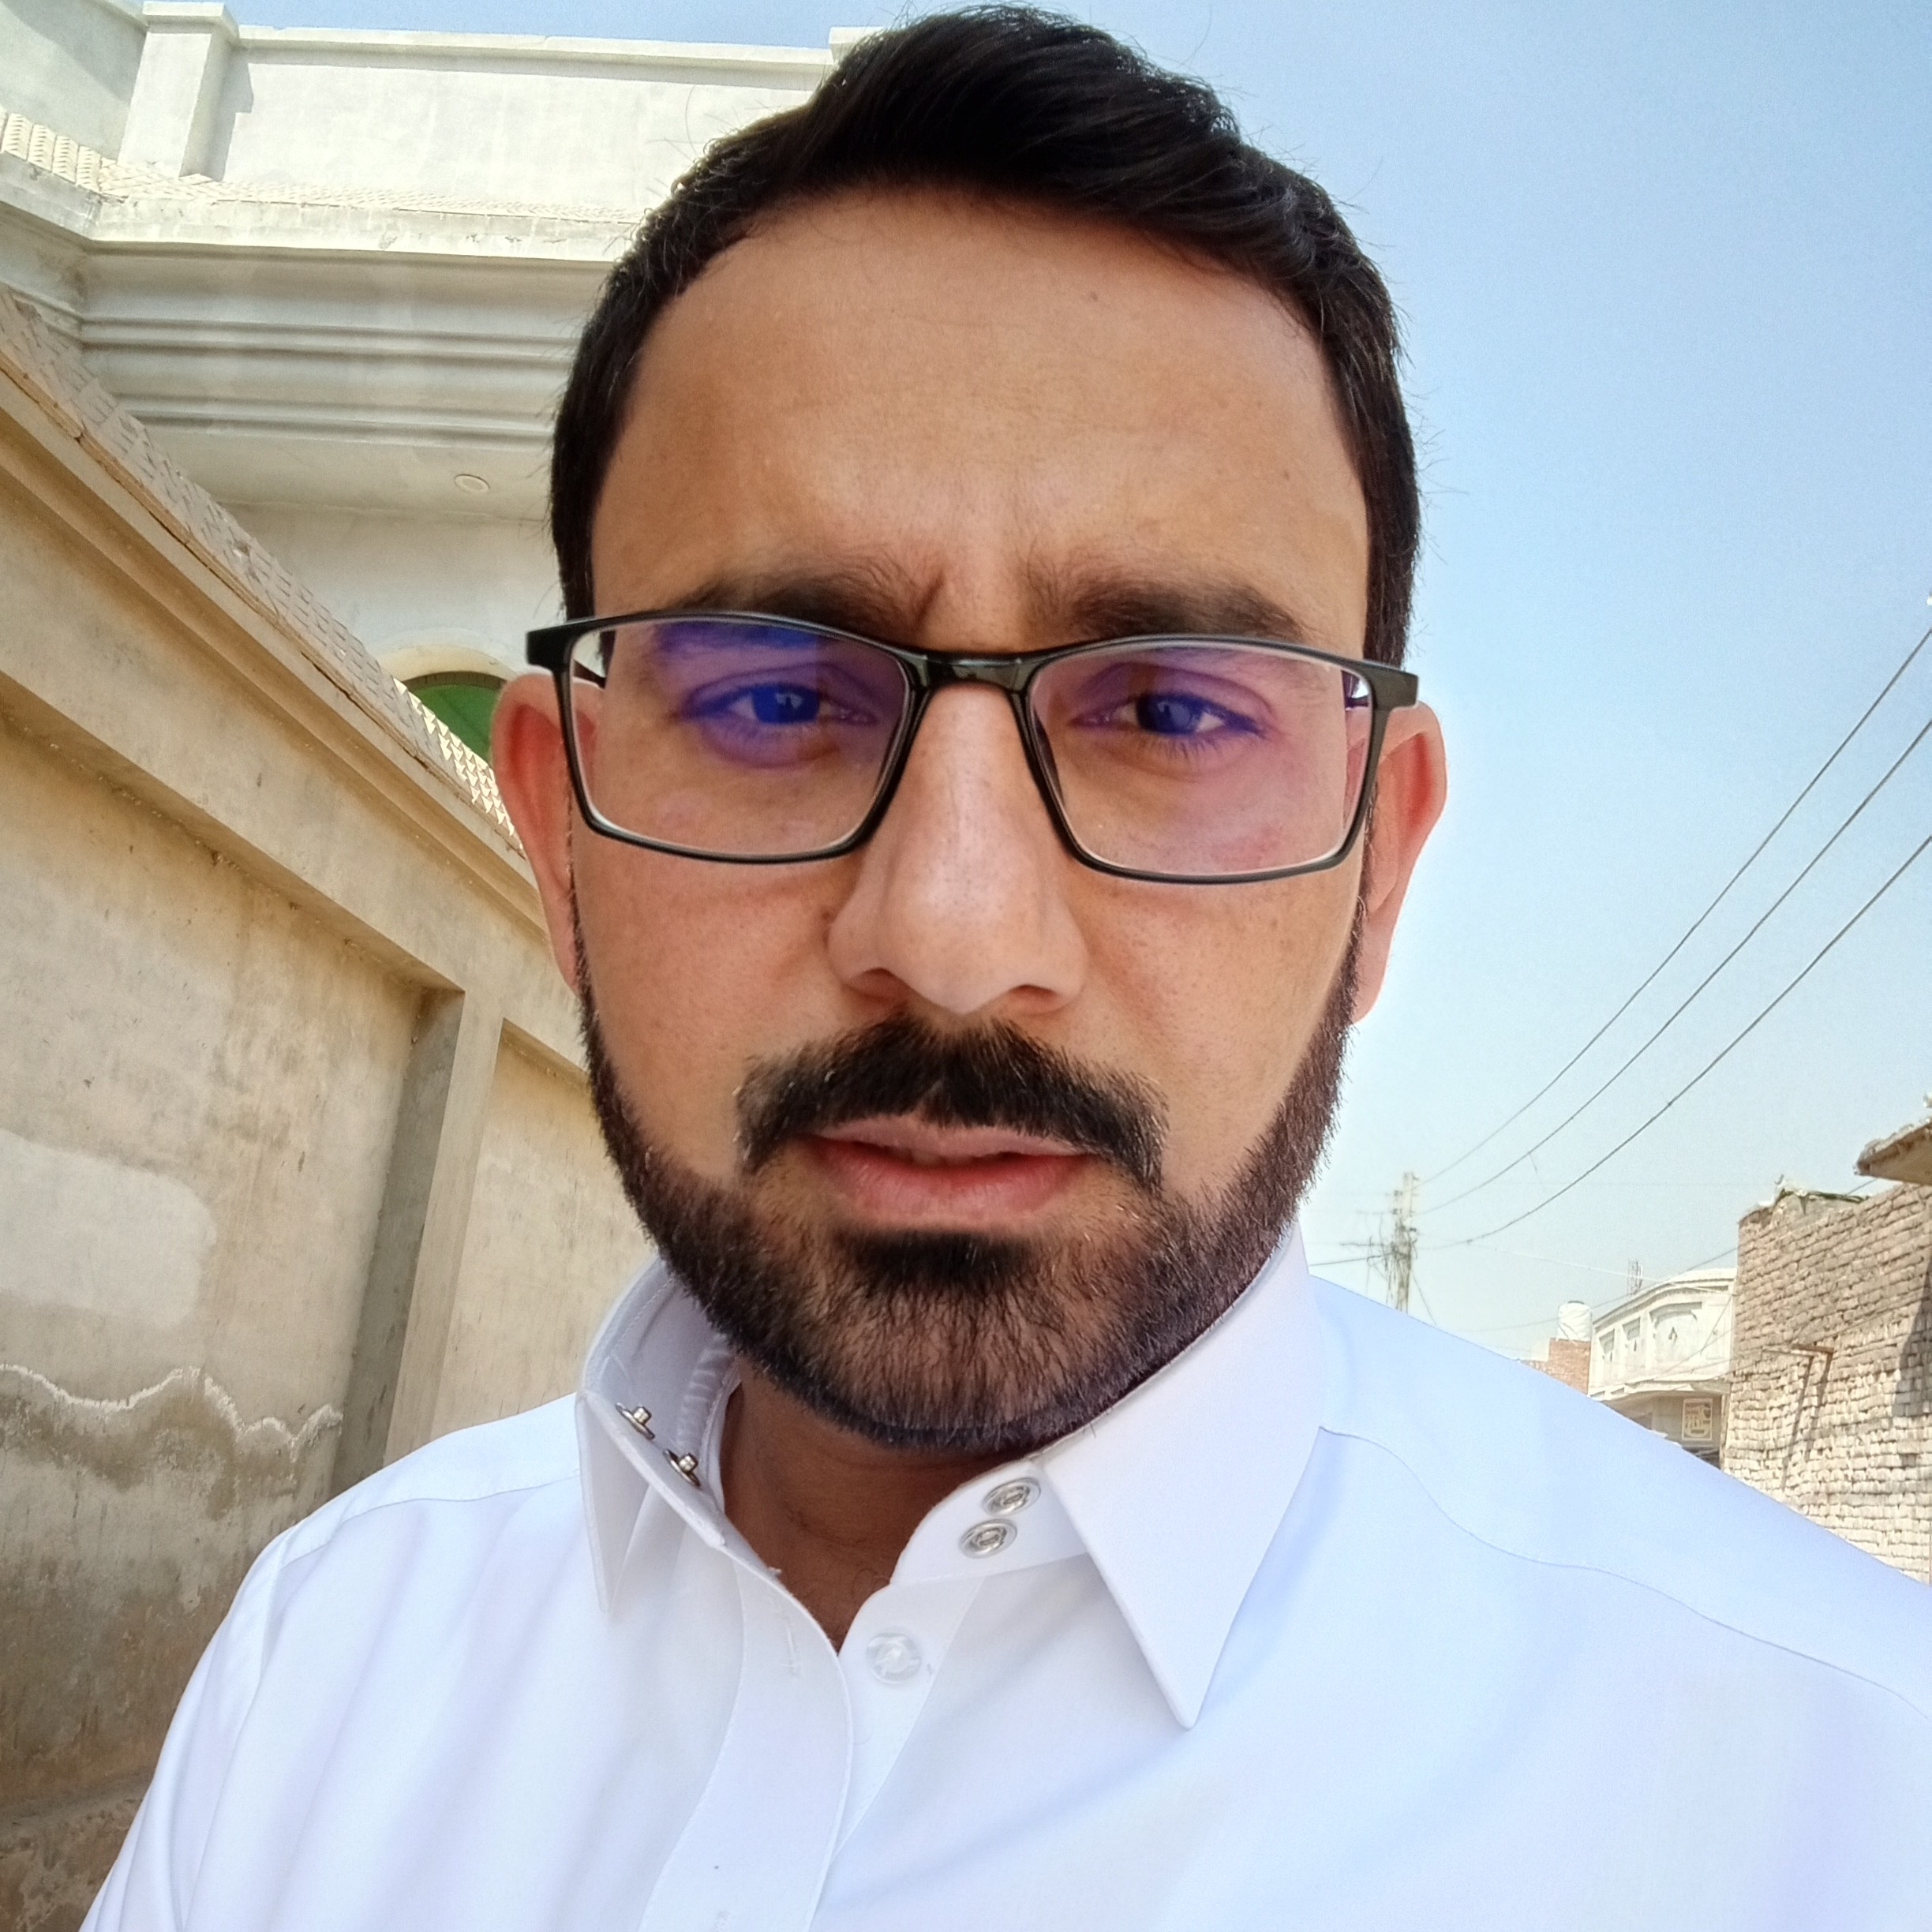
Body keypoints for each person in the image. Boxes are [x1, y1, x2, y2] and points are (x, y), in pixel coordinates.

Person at [84, 11, 1931, 1930]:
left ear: (1378, 865)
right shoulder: (326, 1675)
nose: (955, 940)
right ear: (559, 834)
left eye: (1173, 711)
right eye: (776, 697)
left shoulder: (1843, 1809)